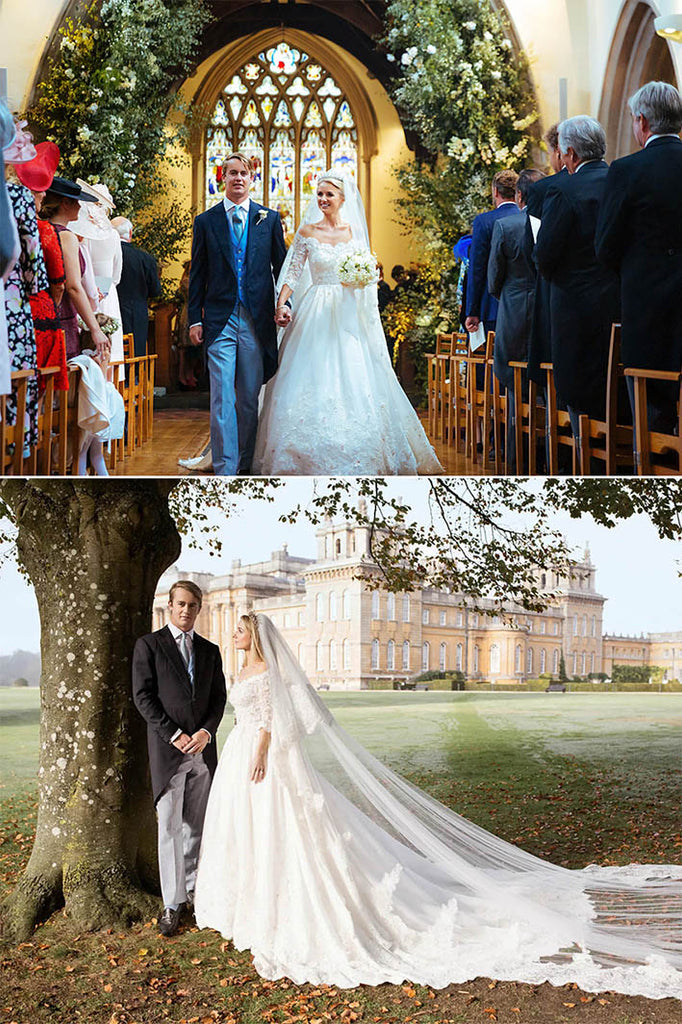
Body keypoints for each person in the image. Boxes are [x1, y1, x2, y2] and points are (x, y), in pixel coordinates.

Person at [194, 611, 682, 996]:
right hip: (239, 754)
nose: (233, 635)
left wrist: (261, 751)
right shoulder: (241, 667)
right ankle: (253, 903)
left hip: (261, 755)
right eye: (235, 629)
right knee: (251, 828)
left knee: (289, 827)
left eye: (239, 630)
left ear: (255, 635)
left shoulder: (267, 668)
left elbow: (279, 717)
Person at [251, 170, 442, 475]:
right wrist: (281, 301)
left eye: (329, 194)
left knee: (354, 373)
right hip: (315, 310)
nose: (323, 199)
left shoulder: (353, 232)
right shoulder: (307, 232)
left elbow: (367, 276)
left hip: (348, 312)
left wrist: (362, 282)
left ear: (342, 198)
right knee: (305, 373)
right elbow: (292, 272)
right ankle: (297, 453)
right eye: (320, 194)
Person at [132, 580, 226, 938]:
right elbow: (143, 698)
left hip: (202, 752)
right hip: (168, 753)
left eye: (192, 605)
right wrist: (175, 734)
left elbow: (218, 698)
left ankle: (195, 892)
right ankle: (172, 905)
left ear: (199, 609)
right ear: (170, 606)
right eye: (181, 604)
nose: (186, 611)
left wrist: (205, 733)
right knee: (169, 827)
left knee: (199, 827)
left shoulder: (210, 650)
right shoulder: (149, 646)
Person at [187, 153, 288, 475]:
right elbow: (198, 274)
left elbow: (284, 270)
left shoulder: (268, 219)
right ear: (223, 179)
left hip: (256, 320)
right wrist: (195, 318)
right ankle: (225, 468)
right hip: (220, 320)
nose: (238, 178)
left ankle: (244, 463)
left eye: (243, 173)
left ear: (252, 178)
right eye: (232, 173)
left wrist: (285, 303)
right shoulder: (206, 222)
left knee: (247, 399)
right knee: (220, 398)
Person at [595, 80, 682, 434]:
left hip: (648, 306)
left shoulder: (627, 170)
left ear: (642, 122)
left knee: (650, 414)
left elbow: (606, 245)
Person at [535, 117, 620, 453]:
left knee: (579, 395)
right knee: (614, 393)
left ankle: (583, 465)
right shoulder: (619, 179)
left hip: (574, 310)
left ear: (568, 152)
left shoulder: (563, 189)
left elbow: (545, 254)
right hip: (618, 302)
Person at [488, 168, 544, 472]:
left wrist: (507, 295)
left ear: (519, 195)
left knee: (513, 381)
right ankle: (546, 457)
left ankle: (514, 458)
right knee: (545, 383)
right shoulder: (546, 222)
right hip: (546, 308)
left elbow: (494, 277)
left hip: (513, 307)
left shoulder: (504, 225)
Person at [13, 142, 69, 396]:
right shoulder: (43, 229)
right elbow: (56, 280)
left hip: (13, 307)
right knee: (35, 388)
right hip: (37, 312)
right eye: (40, 191)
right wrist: (54, 304)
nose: (44, 196)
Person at [464, 169, 519, 340]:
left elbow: (477, 269)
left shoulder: (484, 222)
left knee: (489, 362)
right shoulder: (527, 217)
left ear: (495, 191)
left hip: (491, 307)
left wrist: (472, 310)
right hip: (522, 305)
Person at [112, 215, 161, 358]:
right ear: (131, 233)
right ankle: (135, 379)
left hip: (111, 310)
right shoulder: (145, 259)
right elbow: (155, 291)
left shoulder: (106, 255)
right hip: (137, 312)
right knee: (135, 353)